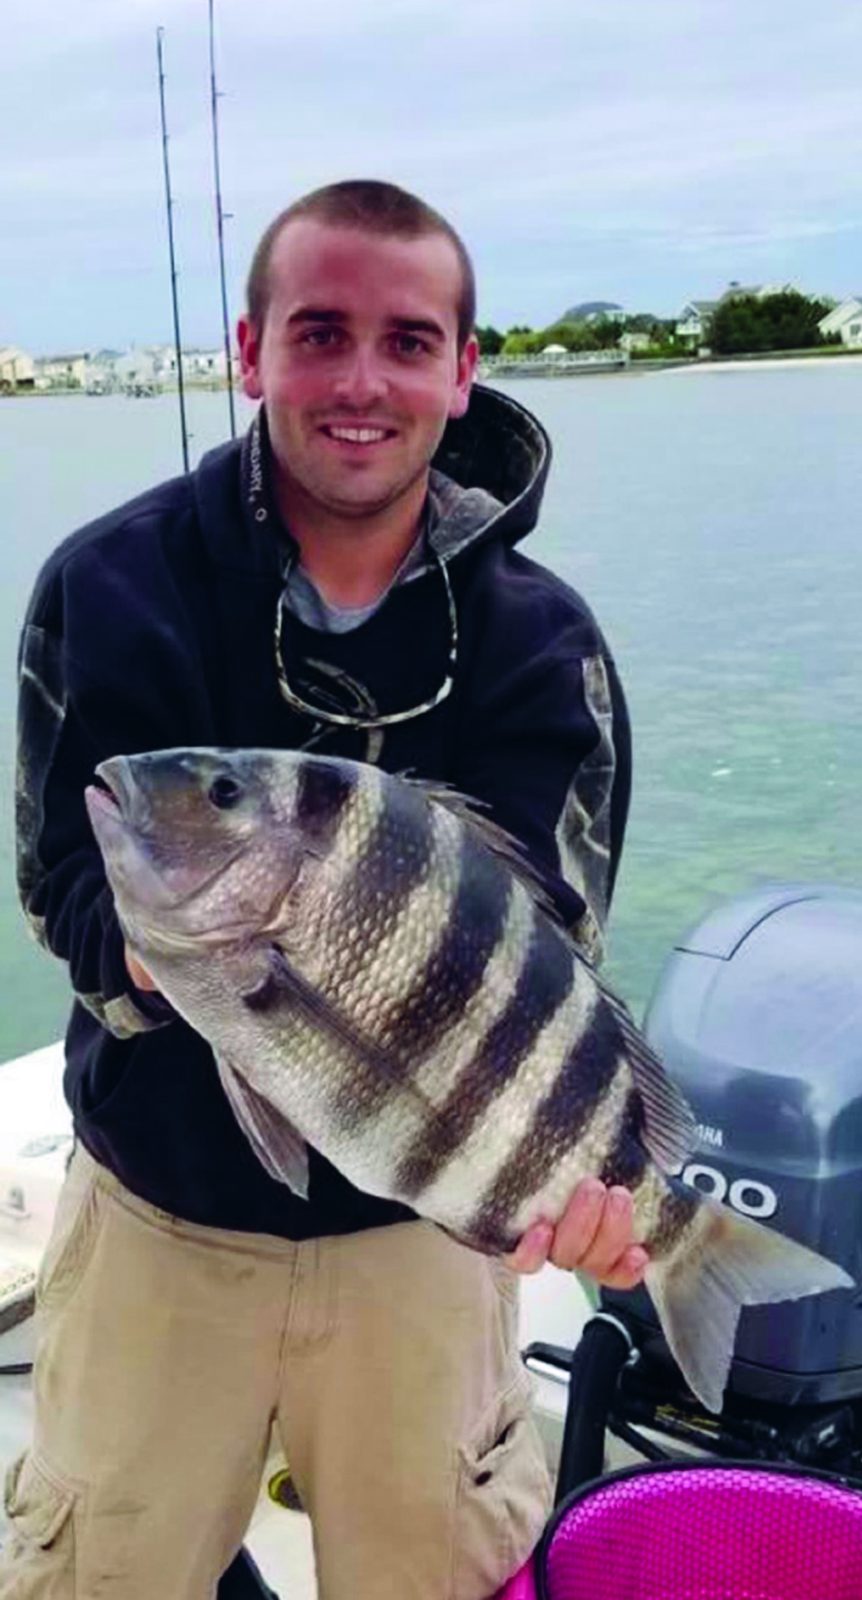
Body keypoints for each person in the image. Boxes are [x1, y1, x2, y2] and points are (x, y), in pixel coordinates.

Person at [5, 180, 645, 1600]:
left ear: (465, 367)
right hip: (159, 1218)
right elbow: (64, 874)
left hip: (417, 1240)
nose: (362, 380)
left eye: (408, 340)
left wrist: (607, 1199)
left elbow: (550, 960)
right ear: (252, 352)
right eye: (319, 333)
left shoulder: (547, 649)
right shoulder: (109, 585)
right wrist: (185, 956)